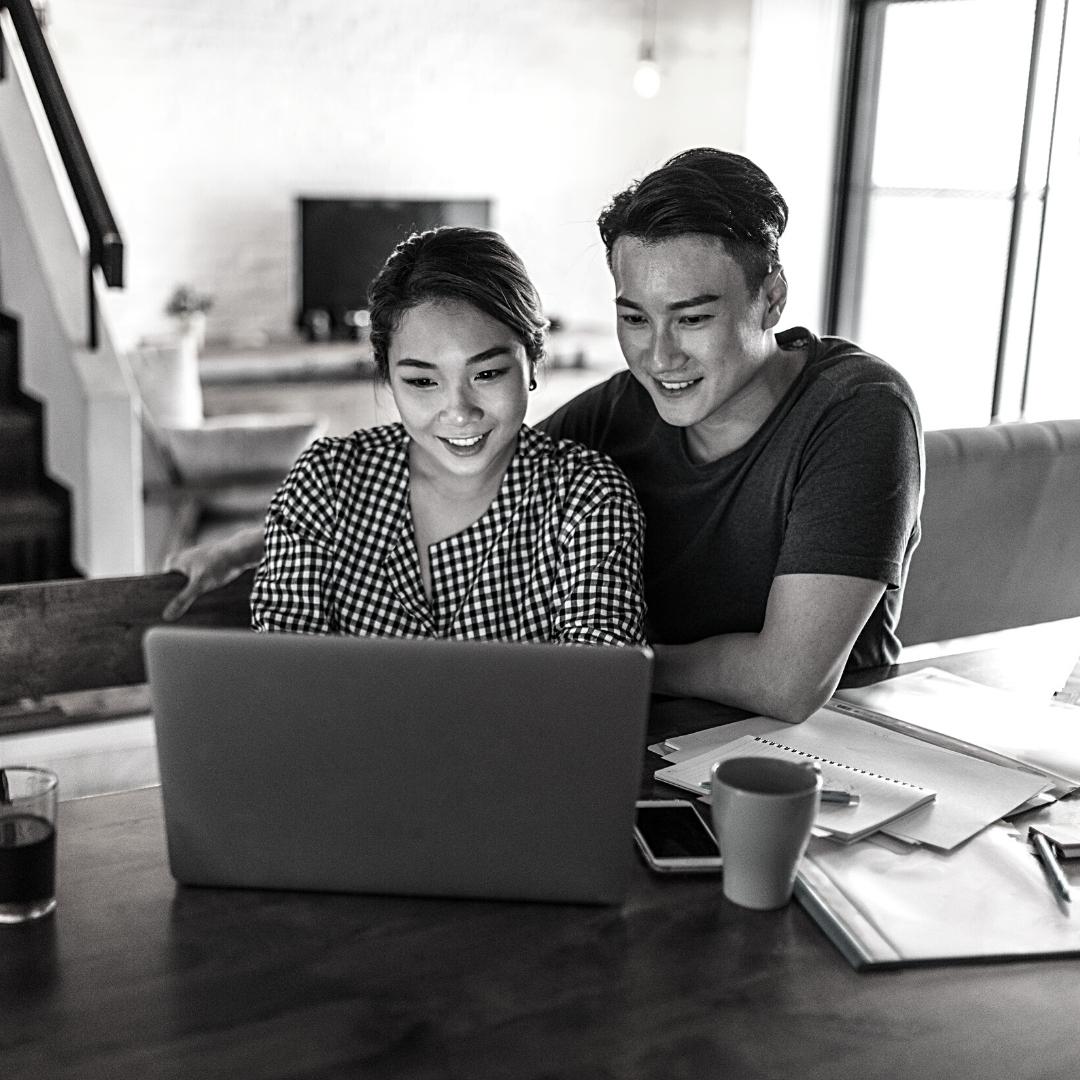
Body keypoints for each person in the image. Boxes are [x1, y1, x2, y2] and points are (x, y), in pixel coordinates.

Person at [165, 148, 921, 722]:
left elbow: (787, 683)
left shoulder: (857, 411)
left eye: (692, 317)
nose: (659, 356)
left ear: (771, 299)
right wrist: (251, 541)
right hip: (654, 735)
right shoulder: (629, 406)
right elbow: (465, 458)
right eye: (634, 317)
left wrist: (606, 667)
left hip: (826, 755)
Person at [247, 226, 646, 645]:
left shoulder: (586, 496)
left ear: (533, 359)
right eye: (422, 382)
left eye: (487, 374)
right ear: (387, 376)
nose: (458, 412)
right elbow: (285, 674)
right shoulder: (324, 481)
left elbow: (597, 683)